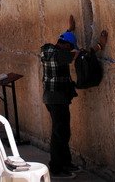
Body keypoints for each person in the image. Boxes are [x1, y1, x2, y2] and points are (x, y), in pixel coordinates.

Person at [41, 15, 108, 179]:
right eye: (70, 47)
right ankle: (56, 168)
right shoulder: (61, 55)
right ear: (66, 46)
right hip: (56, 98)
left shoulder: (48, 49)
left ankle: (66, 163)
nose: (71, 50)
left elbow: (63, 45)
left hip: (54, 97)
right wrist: (99, 45)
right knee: (59, 133)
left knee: (64, 131)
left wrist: (69, 30)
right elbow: (79, 54)